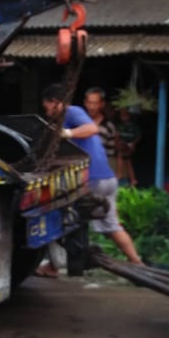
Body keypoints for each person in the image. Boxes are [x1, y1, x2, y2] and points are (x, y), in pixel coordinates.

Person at [36, 83, 142, 276]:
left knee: (57, 217)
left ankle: (55, 266)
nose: (47, 113)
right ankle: (138, 264)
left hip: (93, 180)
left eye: (47, 108)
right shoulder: (65, 118)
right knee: (112, 226)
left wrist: (67, 133)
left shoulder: (71, 112)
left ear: (54, 103)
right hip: (107, 180)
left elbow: (92, 128)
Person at [83, 86, 119, 175]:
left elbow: (114, 154)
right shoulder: (78, 123)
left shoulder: (109, 126)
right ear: (85, 103)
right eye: (89, 103)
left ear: (102, 104)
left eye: (95, 103)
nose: (92, 107)